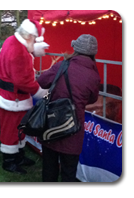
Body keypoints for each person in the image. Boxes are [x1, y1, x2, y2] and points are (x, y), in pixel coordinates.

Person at [37, 34, 101, 182]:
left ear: (76, 50)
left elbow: (41, 81)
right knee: (69, 172)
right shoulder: (94, 75)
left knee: (49, 169)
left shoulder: (62, 65)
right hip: (74, 129)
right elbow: (92, 99)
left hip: (51, 126)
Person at [0, 19, 48, 174]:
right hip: (12, 97)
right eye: (35, 39)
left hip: (13, 96)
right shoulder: (19, 52)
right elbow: (23, 80)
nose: (35, 42)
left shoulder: (12, 40)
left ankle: (18, 156)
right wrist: (41, 92)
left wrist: (33, 50)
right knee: (11, 129)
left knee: (20, 127)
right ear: (29, 36)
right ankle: (9, 162)